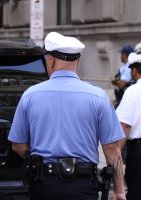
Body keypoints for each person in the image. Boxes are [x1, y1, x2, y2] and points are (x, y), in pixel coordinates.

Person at [8, 32, 126, 200]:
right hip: (83, 185)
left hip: (44, 185)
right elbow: (112, 149)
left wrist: (37, 161)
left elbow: (18, 145)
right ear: (77, 61)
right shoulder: (98, 97)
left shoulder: (30, 96)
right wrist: (120, 192)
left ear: (51, 60)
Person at [116, 52, 141, 200]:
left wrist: (115, 152)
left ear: (135, 70)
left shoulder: (133, 91)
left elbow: (124, 125)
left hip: (138, 152)